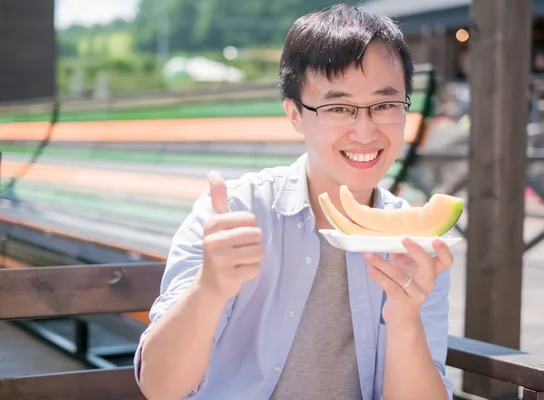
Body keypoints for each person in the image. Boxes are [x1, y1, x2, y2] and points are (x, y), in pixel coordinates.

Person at [134, 4, 454, 399]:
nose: (366, 130)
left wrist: (405, 320)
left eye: (385, 105)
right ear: (295, 115)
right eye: (339, 108)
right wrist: (209, 289)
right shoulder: (236, 213)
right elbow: (159, 387)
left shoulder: (414, 243)